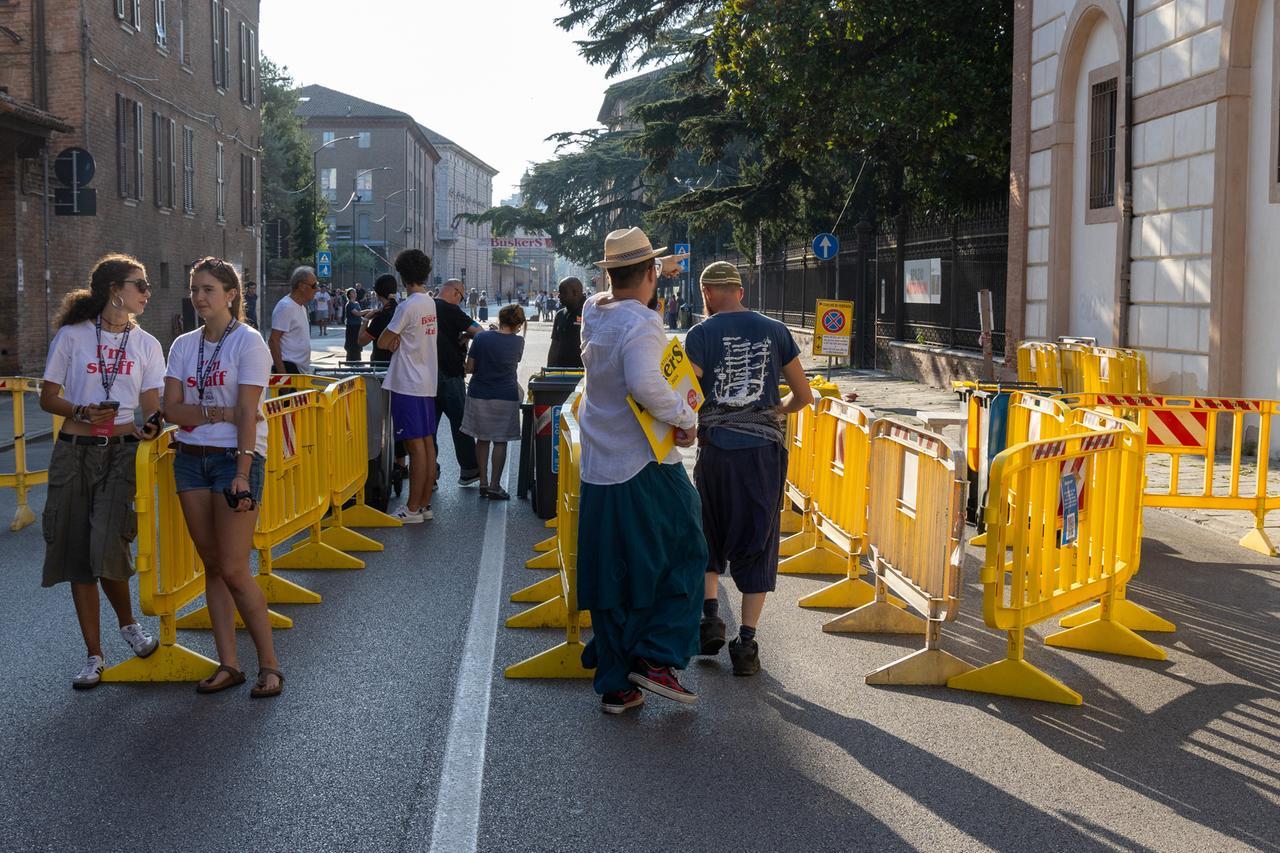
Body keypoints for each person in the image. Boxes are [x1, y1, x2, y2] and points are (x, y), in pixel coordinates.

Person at [576, 227, 706, 715]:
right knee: (688, 548)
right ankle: (657, 656)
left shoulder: (594, 311)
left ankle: (616, 683)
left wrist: (658, 264)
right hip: (644, 462)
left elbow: (618, 284)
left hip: (599, 464)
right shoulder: (644, 322)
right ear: (650, 275)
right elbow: (646, 382)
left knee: (612, 573)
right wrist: (686, 417)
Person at [39, 253, 165, 689]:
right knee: (78, 554)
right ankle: (94, 655)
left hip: (123, 453)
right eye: (140, 284)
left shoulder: (147, 344)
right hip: (75, 451)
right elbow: (47, 396)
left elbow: (151, 404)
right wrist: (80, 410)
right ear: (116, 291)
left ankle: (128, 624)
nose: (147, 292)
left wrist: (154, 422)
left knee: (108, 542)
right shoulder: (73, 336)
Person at [684, 261, 813, 677]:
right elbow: (804, 394)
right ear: (740, 290)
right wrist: (777, 411)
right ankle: (747, 644)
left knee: (710, 528)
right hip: (762, 454)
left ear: (706, 293)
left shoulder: (701, 334)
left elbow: (686, 394)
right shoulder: (776, 330)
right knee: (759, 540)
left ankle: (709, 618)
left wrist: (690, 426)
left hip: (717, 451)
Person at [164, 257, 283, 697]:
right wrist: (217, 412)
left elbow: (248, 414)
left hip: (234, 459)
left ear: (231, 295)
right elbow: (171, 410)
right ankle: (229, 664)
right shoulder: (182, 345)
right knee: (212, 565)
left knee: (234, 567)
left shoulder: (248, 343)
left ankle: (269, 665)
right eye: (195, 289)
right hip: (190, 459)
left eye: (209, 289)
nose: (199, 297)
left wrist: (242, 472)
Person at [377, 249, 439, 523]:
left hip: (407, 382)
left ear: (402, 275)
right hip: (425, 380)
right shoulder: (429, 302)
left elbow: (382, 341)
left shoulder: (408, 306)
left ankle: (412, 509)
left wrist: (393, 341)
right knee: (426, 445)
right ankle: (423, 505)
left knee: (415, 448)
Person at [461, 304, 525, 499]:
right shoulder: (518, 342)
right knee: (500, 441)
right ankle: (495, 486)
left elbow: (469, 368)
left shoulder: (481, 338)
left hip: (479, 393)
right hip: (505, 395)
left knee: (482, 438)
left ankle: (483, 482)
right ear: (518, 324)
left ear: (500, 319)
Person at [360, 274, 408, 493]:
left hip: (381, 370)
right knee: (398, 417)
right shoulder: (403, 310)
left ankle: (380, 461)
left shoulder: (380, 316)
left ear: (377, 293)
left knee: (381, 419)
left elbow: (361, 340)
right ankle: (401, 464)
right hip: (402, 370)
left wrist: (365, 321)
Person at [434, 278, 482, 487]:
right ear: (456, 293)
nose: (460, 302)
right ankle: (469, 470)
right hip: (449, 372)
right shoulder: (450, 310)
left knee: (428, 428)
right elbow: (478, 331)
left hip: (424, 374)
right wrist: (465, 337)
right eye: (461, 298)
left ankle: (429, 473)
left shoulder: (426, 305)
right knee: (460, 422)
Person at [269, 266, 317, 374]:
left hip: (300, 370)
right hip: (289, 368)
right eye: (314, 285)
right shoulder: (285, 306)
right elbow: (273, 340)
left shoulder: (302, 307)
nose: (317, 289)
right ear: (302, 286)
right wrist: (283, 376)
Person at [546, 276, 585, 369]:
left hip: (582, 375)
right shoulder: (560, 315)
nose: (559, 296)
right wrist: (549, 370)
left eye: (563, 292)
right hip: (560, 373)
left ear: (575, 293)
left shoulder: (590, 313)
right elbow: (554, 345)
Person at [343, 288, 364, 362]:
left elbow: (359, 315)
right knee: (351, 343)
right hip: (351, 326)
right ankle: (351, 360)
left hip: (358, 325)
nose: (355, 294)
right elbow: (357, 313)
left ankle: (358, 359)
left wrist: (363, 319)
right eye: (353, 292)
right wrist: (369, 310)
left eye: (355, 292)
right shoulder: (349, 304)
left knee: (358, 342)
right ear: (349, 294)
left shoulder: (357, 303)